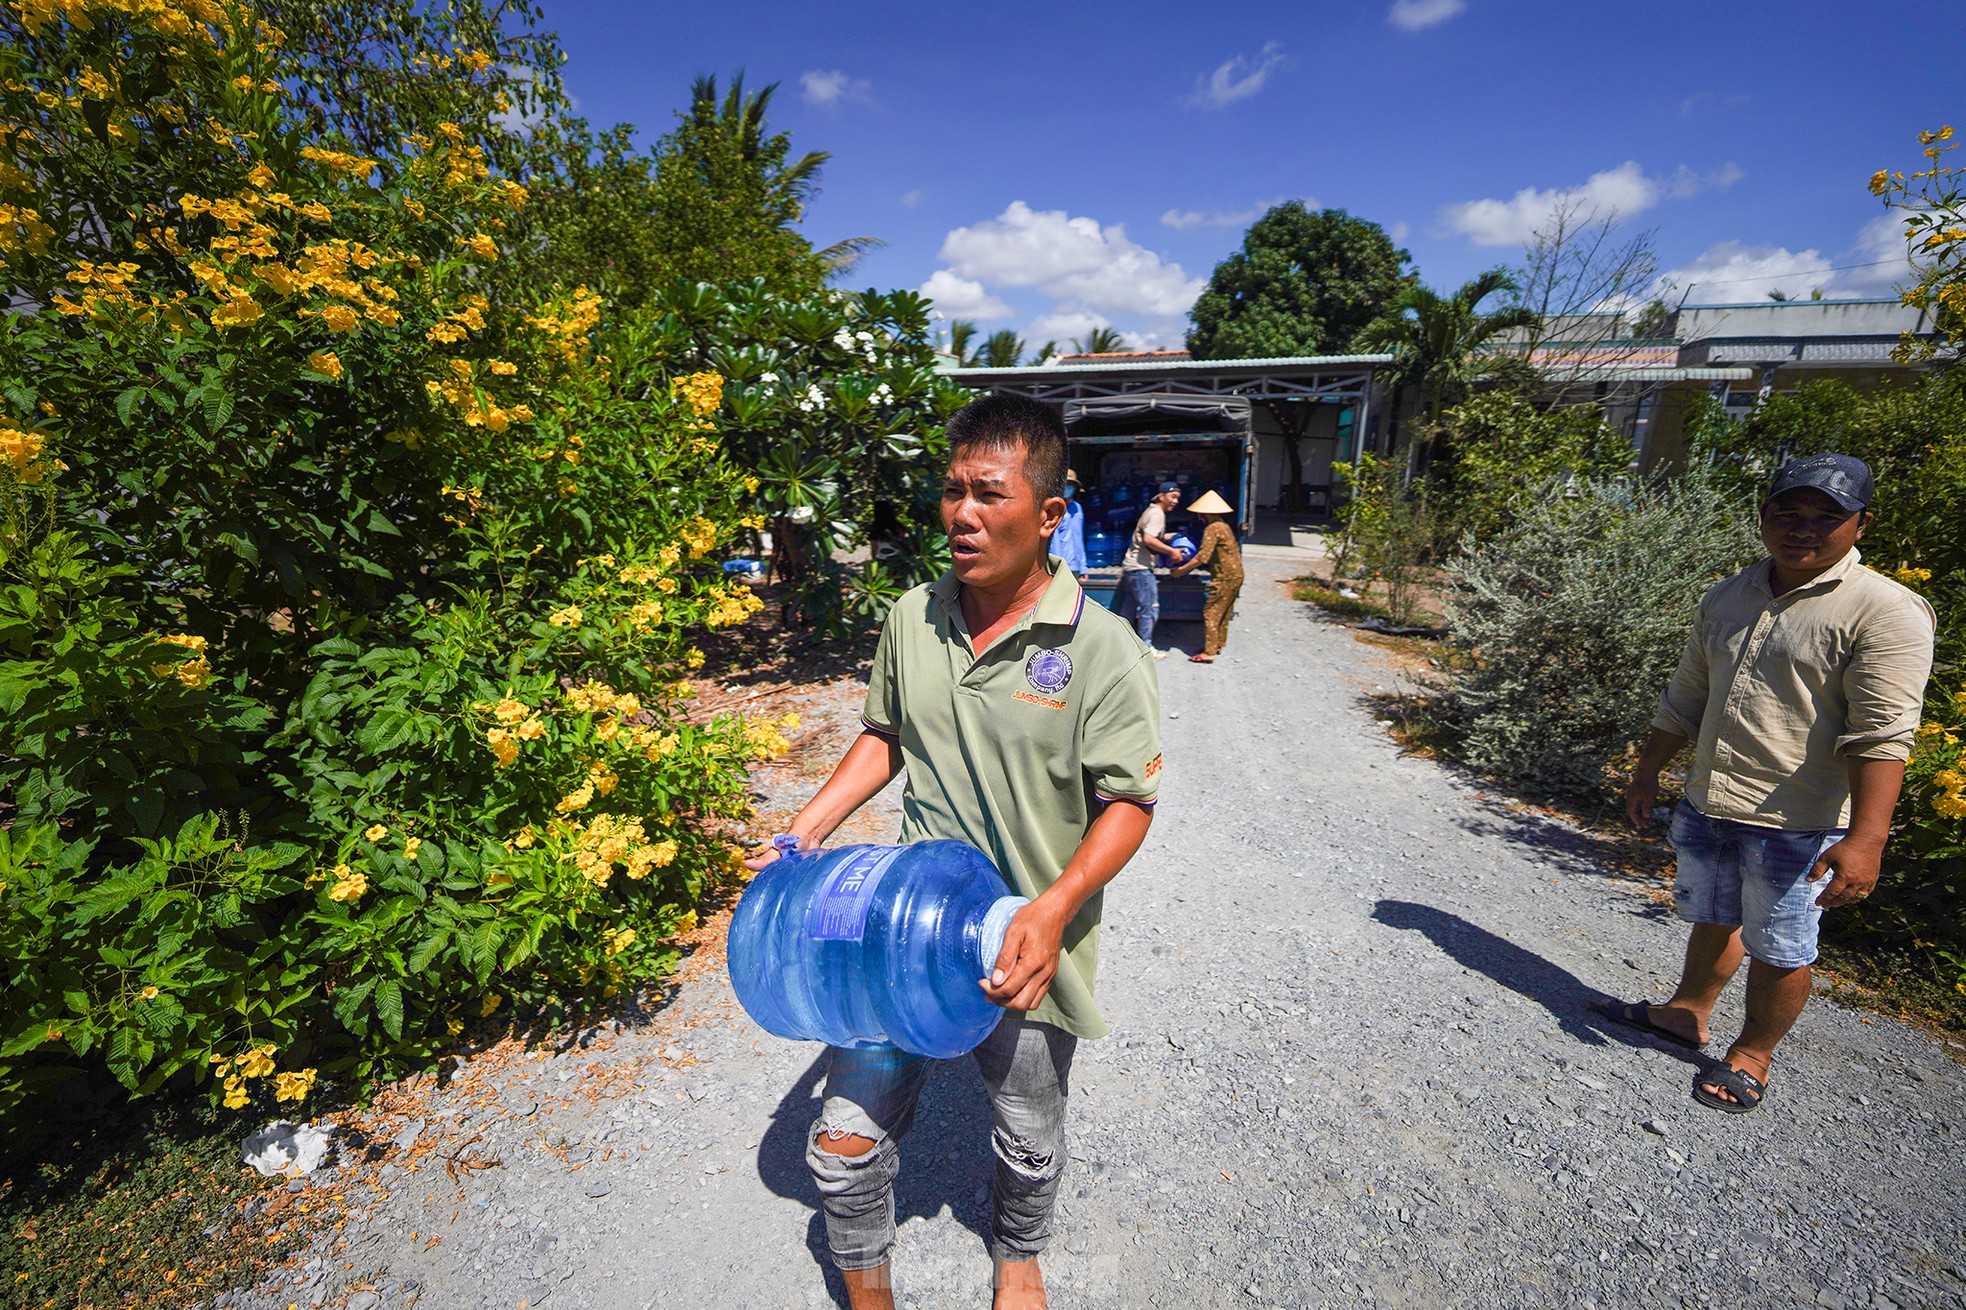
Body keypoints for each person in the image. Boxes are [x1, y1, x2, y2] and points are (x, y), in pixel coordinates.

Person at [749, 392, 1162, 1310]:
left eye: (989, 494)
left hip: (1026, 937)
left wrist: (1053, 912)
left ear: (1049, 514)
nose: (962, 514)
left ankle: (1017, 1255)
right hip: (905, 928)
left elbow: (1128, 802)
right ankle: (869, 1293)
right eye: (950, 492)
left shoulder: (1102, 651)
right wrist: (809, 825)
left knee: (1026, 1128)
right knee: (842, 1142)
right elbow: (885, 735)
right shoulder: (913, 616)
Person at [1606, 453, 1935, 1115]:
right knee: (1715, 915)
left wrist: (1867, 840)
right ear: (1764, 516)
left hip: (1799, 819)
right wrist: (1648, 771)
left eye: (1827, 516)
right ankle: (1687, 1011)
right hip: (1713, 798)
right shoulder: (1731, 594)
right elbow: (1686, 694)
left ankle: (1751, 1055)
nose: (1803, 528)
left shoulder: (1885, 611)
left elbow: (1883, 735)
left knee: (1781, 947)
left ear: (1861, 523)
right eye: (1788, 512)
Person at [1170, 489, 1243, 663]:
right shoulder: (1224, 525)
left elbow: (1202, 557)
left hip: (1224, 577)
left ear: (1206, 514)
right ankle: (1217, 644)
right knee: (1224, 612)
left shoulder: (1212, 528)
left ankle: (1209, 652)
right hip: (1236, 575)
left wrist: (1181, 570)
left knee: (1211, 612)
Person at [1115, 480, 1183, 655]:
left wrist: (1171, 537)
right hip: (1141, 569)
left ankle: (1121, 644)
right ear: (1161, 496)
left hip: (1131, 567)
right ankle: (1145, 647)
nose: (1175, 501)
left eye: (1178, 498)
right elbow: (1149, 539)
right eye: (1173, 496)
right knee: (1149, 608)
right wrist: (1172, 552)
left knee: (1129, 608)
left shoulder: (1151, 511)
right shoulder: (1157, 514)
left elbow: (1152, 535)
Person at [1052, 468, 1088, 578]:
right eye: (1065, 484)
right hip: (1056, 567)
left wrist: (1083, 567)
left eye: (1071, 485)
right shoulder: (1052, 508)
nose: (1068, 488)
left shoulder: (1077, 508)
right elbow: (1054, 540)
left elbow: (1078, 538)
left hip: (1074, 567)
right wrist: (1056, 566)